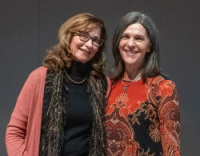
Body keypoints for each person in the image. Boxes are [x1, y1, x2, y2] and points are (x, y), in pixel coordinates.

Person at [6, 13, 111, 156]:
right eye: (83, 35)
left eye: (95, 40)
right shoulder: (40, 77)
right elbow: (14, 132)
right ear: (69, 36)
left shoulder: (103, 84)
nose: (89, 44)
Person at [105, 12, 180, 156]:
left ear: (150, 46)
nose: (130, 44)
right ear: (117, 43)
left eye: (139, 39)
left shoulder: (163, 88)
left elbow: (172, 150)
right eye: (125, 36)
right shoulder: (108, 85)